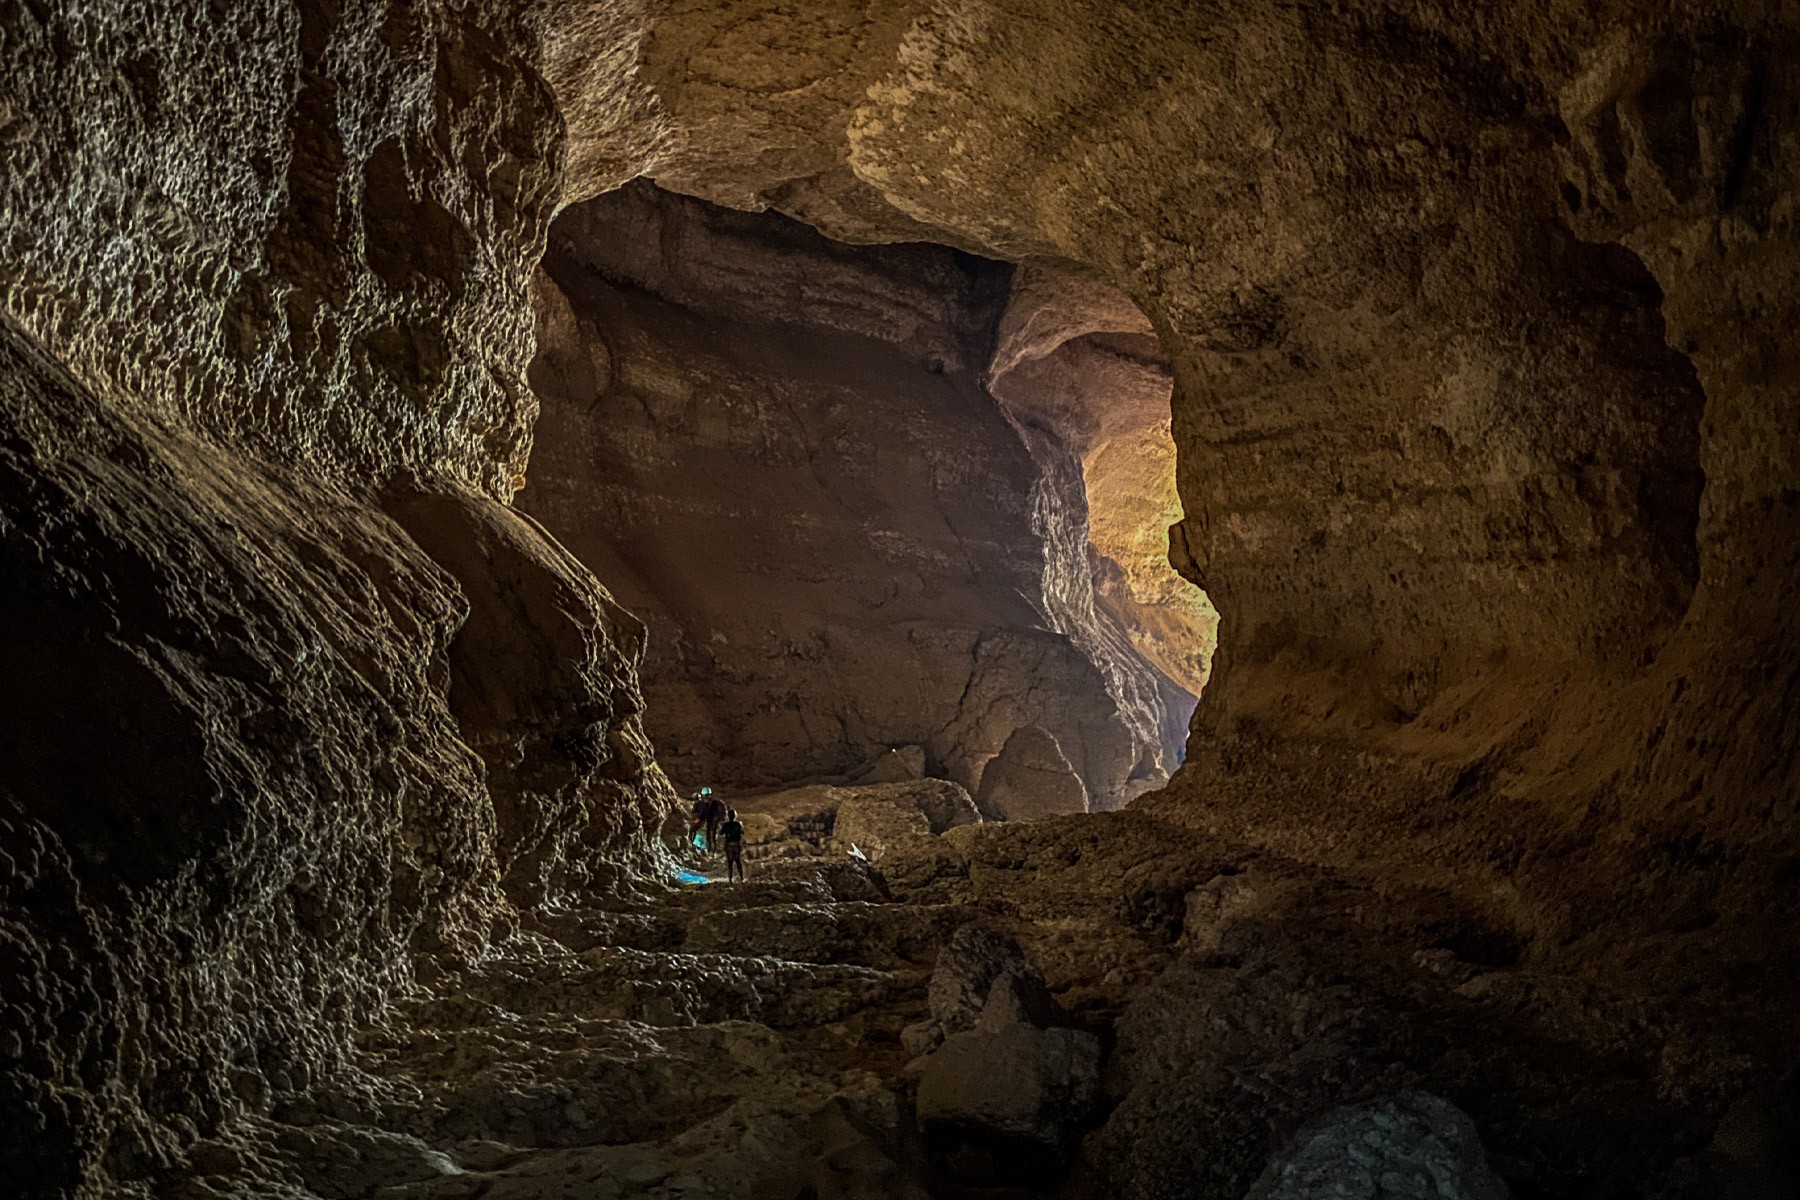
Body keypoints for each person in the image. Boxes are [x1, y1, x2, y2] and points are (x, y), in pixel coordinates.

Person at [690, 786, 721, 851]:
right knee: (710, 837)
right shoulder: (711, 803)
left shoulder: (711, 803)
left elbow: (707, 812)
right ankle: (709, 851)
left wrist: (699, 819)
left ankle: (710, 851)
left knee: (710, 837)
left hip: (711, 822)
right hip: (711, 822)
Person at [719, 806, 746, 882]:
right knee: (738, 861)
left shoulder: (726, 825)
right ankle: (741, 877)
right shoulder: (738, 824)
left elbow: (721, 833)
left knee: (730, 863)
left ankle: (730, 879)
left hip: (728, 845)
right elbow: (742, 832)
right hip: (737, 844)